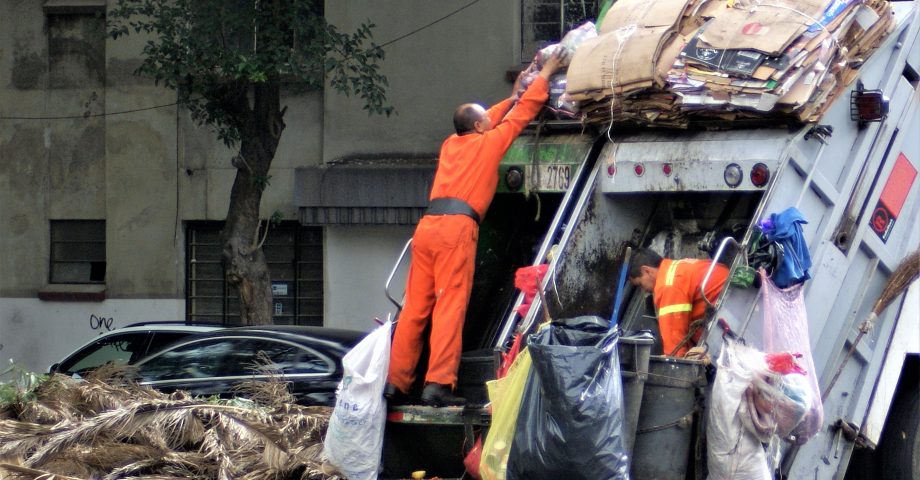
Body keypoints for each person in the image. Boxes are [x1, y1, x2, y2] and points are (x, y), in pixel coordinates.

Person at [385, 50, 568, 407]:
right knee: (449, 306)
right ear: (482, 127)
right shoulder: (489, 143)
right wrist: (546, 72)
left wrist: (511, 96)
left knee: (414, 310)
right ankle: (438, 384)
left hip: (426, 228)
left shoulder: (451, 144)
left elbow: (498, 114)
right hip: (456, 229)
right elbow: (525, 112)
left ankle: (396, 382)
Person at [628, 248, 729, 357]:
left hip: (727, 319)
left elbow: (674, 347)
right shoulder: (676, 267)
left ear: (646, 270)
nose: (644, 290)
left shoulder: (668, 285)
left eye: (640, 284)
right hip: (733, 298)